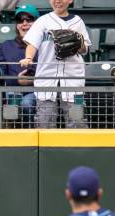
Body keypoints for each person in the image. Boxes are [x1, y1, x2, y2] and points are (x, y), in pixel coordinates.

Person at [20, 0, 91, 129]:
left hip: (73, 77)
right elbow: (32, 44)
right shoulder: (43, 21)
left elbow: (85, 49)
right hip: (47, 77)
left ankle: (79, 149)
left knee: (77, 121)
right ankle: (45, 149)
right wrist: (28, 57)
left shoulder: (78, 21)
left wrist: (76, 42)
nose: (57, 1)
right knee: (44, 121)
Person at [0, 3, 39, 127]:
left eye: (29, 19)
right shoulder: (6, 45)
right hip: (12, 90)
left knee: (26, 103)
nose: (24, 23)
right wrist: (17, 80)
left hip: (38, 91)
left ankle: (28, 137)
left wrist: (32, 79)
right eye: (20, 20)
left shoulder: (44, 45)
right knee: (12, 100)